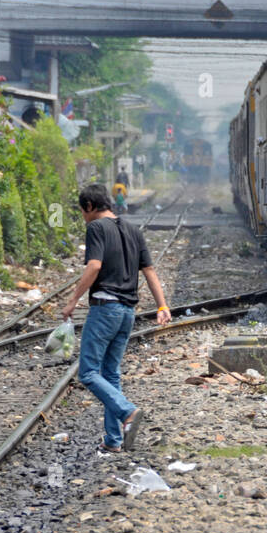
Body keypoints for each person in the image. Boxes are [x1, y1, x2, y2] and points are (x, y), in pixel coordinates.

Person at [61, 183, 172, 453]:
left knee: (88, 373)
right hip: (127, 313)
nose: (83, 217)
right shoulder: (134, 230)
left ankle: (128, 411)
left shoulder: (96, 228)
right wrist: (162, 306)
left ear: (89, 207)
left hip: (105, 308)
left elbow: (94, 265)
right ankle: (113, 441)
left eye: (82, 212)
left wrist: (73, 299)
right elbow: (149, 271)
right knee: (110, 373)